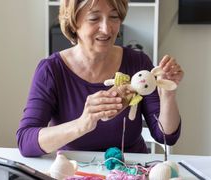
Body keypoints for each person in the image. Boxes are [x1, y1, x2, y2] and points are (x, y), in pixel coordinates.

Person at [16, 0, 184, 157]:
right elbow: (25, 141)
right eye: (94, 18)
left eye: (113, 17)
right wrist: (82, 124)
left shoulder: (138, 62)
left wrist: (168, 95)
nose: (106, 29)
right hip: (75, 170)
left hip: (131, 170)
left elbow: (165, 136)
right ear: (73, 23)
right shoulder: (51, 70)